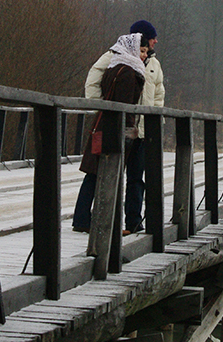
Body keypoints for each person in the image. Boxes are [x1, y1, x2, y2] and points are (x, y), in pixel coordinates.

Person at [82, 20, 165, 234]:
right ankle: (84, 218)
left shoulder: (154, 65)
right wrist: (103, 109)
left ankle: (133, 222)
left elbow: (158, 95)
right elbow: (93, 81)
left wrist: (153, 120)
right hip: (116, 126)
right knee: (100, 171)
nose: (155, 42)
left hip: (141, 130)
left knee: (136, 178)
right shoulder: (114, 56)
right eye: (152, 38)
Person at [71, 33, 148, 233]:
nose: (143, 56)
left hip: (102, 124)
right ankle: (105, 222)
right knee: (109, 174)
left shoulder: (114, 67)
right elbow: (124, 105)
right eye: (141, 51)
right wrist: (131, 130)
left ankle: (81, 219)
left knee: (94, 173)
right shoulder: (128, 73)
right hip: (114, 129)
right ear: (131, 49)